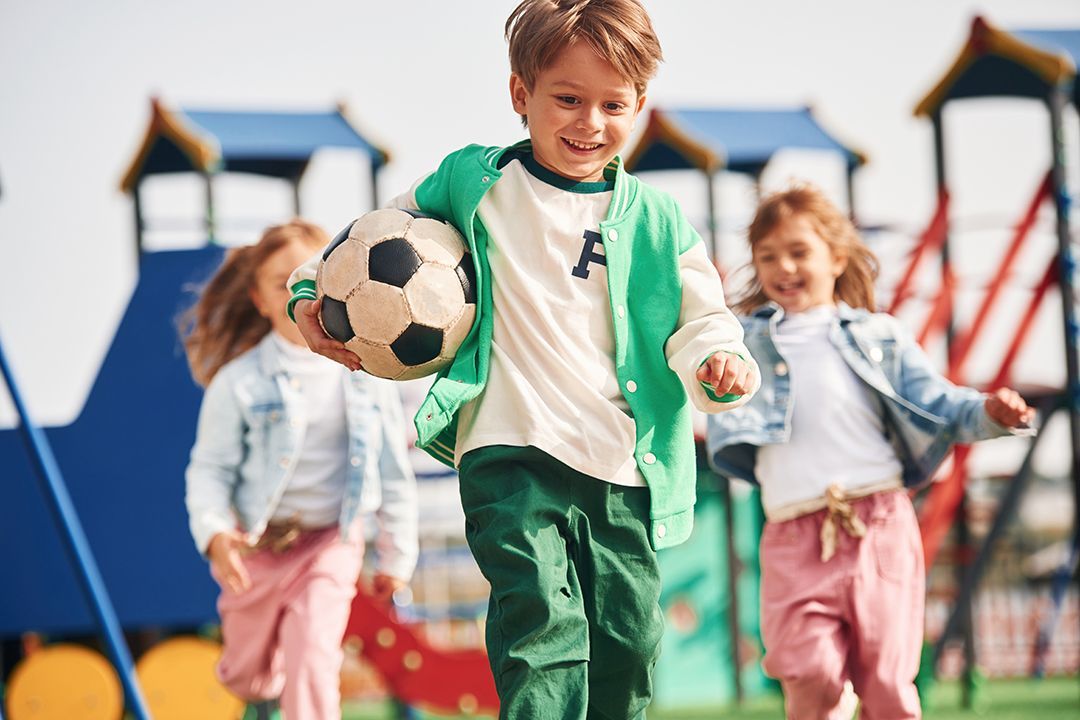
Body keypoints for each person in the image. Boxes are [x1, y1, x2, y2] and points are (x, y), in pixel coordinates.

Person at [285, 1, 759, 716]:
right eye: (567, 99)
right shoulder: (475, 184)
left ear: (639, 105)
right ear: (521, 96)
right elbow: (365, 243)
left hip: (619, 462)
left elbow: (703, 319)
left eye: (612, 104)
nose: (588, 122)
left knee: (628, 642)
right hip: (508, 449)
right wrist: (305, 296)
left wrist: (721, 362)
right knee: (540, 621)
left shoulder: (657, 221)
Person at [706, 186, 1035, 719]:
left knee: (886, 681)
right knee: (809, 674)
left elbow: (938, 401)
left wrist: (989, 414)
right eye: (767, 257)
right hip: (792, 534)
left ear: (836, 258)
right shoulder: (740, 341)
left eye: (798, 252)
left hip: (876, 524)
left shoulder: (878, 334)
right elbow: (705, 376)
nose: (783, 267)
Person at [182, 219, 418, 720]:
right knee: (248, 676)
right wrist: (216, 533)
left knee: (312, 654)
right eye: (280, 283)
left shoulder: (366, 374)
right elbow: (209, 470)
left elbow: (394, 473)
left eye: (310, 277)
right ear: (259, 299)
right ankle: (267, 676)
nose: (299, 292)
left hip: (330, 543)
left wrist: (397, 556)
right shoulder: (240, 382)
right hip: (258, 548)